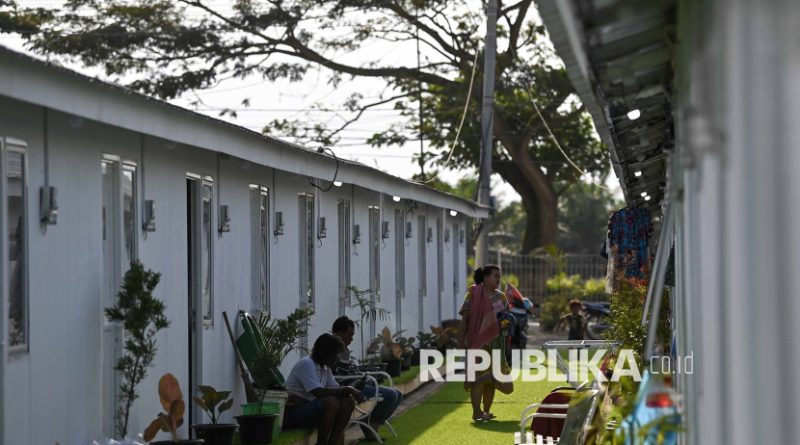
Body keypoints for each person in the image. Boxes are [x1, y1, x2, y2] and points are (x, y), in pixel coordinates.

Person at [331, 316, 404, 441]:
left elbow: (351, 370)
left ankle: (371, 422)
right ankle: (370, 424)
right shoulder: (333, 349)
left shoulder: (343, 349)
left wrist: (368, 374)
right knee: (392, 395)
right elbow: (341, 375)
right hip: (351, 389)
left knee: (398, 394)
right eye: (349, 335)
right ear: (339, 333)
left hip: (360, 384)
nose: (352, 339)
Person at [284, 333, 365, 445]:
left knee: (348, 401)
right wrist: (349, 389)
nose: (337, 358)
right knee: (330, 402)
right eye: (335, 354)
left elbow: (335, 388)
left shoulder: (325, 367)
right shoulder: (306, 364)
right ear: (325, 352)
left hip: (310, 411)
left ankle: (333, 442)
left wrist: (352, 389)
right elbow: (319, 393)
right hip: (293, 414)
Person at [457, 264, 514, 422]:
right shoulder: (473, 294)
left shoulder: (501, 297)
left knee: (492, 381)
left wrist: (506, 326)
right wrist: (460, 340)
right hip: (478, 342)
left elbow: (506, 319)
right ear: (485, 277)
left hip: (497, 343)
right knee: (478, 379)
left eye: (499, 276)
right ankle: (477, 412)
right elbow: (465, 319)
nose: (498, 279)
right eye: (495, 276)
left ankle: (486, 411)